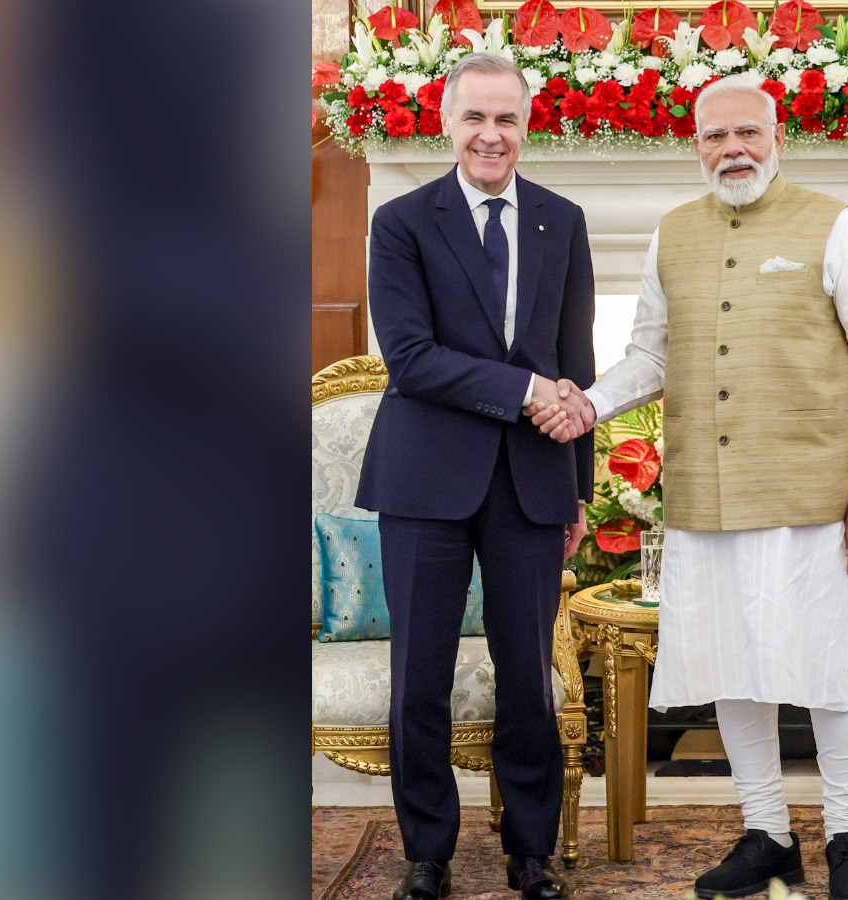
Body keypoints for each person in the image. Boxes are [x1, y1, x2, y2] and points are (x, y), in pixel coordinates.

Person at [532, 72, 848, 900]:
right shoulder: (673, 233)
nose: (733, 150)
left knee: (829, 665)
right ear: (694, 144)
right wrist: (585, 404)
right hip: (706, 499)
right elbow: (651, 354)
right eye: (715, 136)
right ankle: (767, 833)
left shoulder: (835, 226)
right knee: (731, 667)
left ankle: (846, 838)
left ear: (778, 138)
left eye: (748, 133)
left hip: (818, 498)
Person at [355, 52, 596, 900]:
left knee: (529, 674)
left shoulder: (563, 220)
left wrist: (580, 487)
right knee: (419, 672)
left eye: (507, 119)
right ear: (446, 123)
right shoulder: (401, 221)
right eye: (475, 119)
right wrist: (525, 389)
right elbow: (412, 359)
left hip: (532, 482)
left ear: (527, 127)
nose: (491, 135)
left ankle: (531, 849)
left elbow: (576, 361)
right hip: (424, 478)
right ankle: (429, 852)